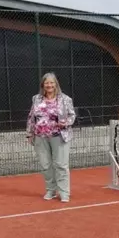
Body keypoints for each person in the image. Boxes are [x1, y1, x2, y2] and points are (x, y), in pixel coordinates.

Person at [26, 72, 76, 202]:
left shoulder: (65, 99)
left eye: (52, 82)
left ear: (56, 84)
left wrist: (66, 122)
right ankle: (51, 190)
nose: (49, 85)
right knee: (45, 165)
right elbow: (31, 117)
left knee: (61, 165)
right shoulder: (36, 99)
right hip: (40, 136)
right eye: (47, 83)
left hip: (59, 136)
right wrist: (29, 133)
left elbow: (72, 115)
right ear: (43, 84)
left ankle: (64, 192)